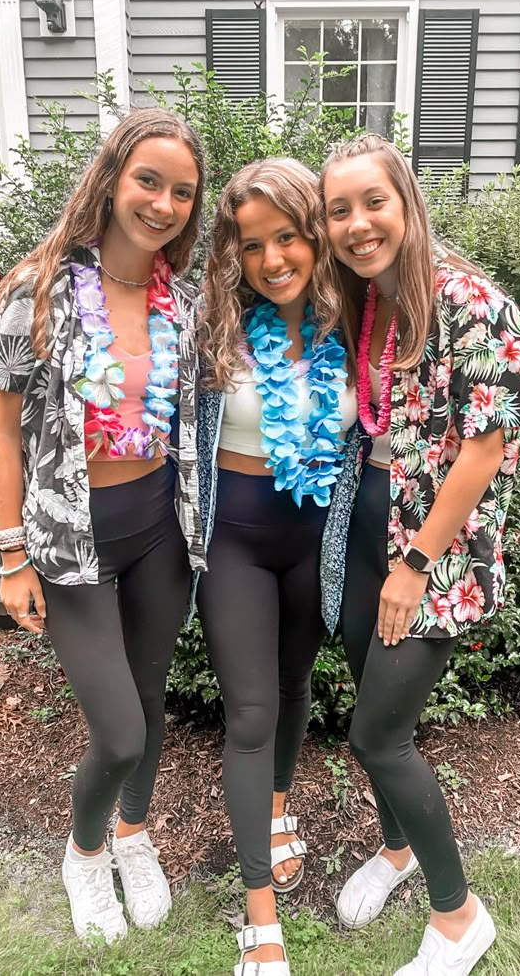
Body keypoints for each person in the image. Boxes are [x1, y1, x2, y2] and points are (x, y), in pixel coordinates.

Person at [0, 108, 206, 944]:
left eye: (182, 191)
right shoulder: (36, 289)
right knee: (117, 730)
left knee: (148, 705)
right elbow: (4, 430)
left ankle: (134, 835)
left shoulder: (181, 302)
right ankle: (84, 853)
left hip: (158, 531)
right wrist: (12, 557)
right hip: (72, 542)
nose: (163, 202)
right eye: (149, 180)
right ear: (112, 178)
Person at [320, 134, 520, 976]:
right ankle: (398, 849)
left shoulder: (473, 300)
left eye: (373, 202)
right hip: (364, 536)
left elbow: (483, 452)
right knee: (370, 710)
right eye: (340, 210)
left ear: (406, 200)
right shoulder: (372, 305)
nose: (357, 223)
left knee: (379, 736)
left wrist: (414, 565)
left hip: (429, 559)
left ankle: (459, 916)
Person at [196, 158, 357, 975]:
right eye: (252, 244)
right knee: (251, 710)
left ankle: (280, 807)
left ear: (315, 233)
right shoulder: (215, 321)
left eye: (287, 236)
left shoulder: (358, 319)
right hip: (235, 539)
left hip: (315, 537)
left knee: (296, 687)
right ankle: (259, 909)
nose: (272, 260)